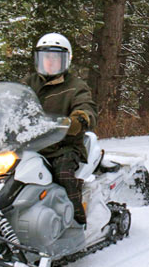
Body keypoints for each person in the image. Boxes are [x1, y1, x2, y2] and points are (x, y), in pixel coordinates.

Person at [25, 33, 98, 225]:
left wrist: (79, 119)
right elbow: (11, 101)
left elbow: (86, 107)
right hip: (29, 144)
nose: (50, 62)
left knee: (63, 173)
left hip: (62, 146)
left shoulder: (75, 86)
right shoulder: (28, 83)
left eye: (55, 58)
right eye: (46, 57)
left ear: (65, 60)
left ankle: (77, 221)